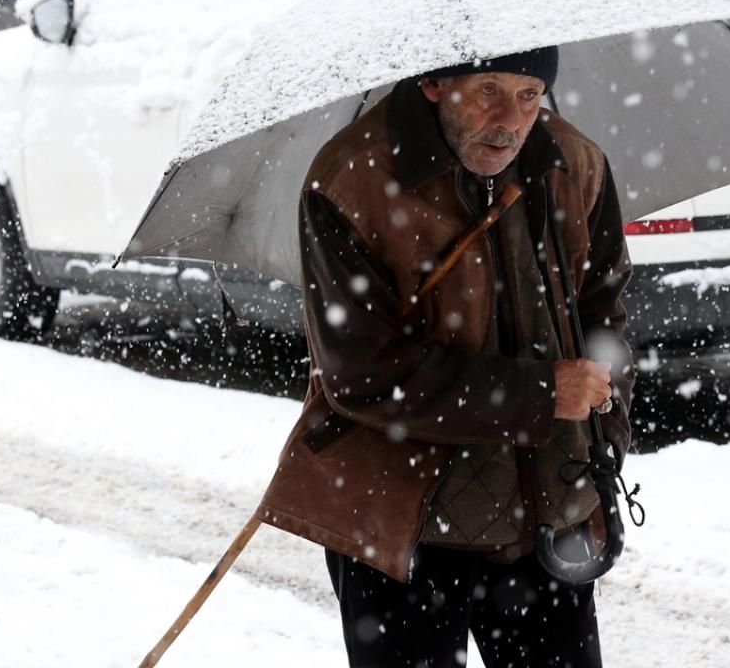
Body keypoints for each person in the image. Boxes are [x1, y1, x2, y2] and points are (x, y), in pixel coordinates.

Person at [257, 46, 634, 668]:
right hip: (400, 526)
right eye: (487, 89)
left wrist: (605, 434)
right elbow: (363, 374)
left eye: (529, 93)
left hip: (540, 519)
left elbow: (607, 313)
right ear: (434, 81)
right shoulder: (352, 179)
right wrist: (541, 395)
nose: (511, 119)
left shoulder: (574, 163)